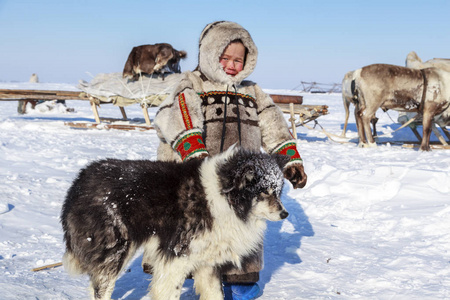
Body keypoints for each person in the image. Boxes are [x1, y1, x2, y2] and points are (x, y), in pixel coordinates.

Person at [151, 21, 307, 300]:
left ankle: (240, 287)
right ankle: (180, 286)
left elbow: (273, 125)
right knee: (190, 240)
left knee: (242, 234)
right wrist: (196, 158)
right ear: (210, 54)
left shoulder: (252, 91)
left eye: (239, 59)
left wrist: (289, 160)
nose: (233, 65)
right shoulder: (192, 83)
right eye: (226, 58)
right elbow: (180, 119)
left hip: (242, 184)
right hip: (197, 182)